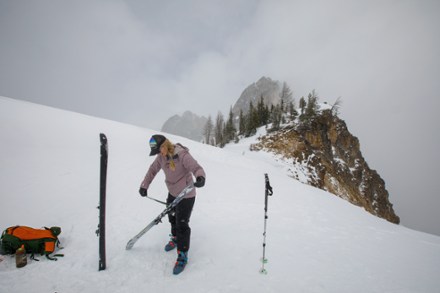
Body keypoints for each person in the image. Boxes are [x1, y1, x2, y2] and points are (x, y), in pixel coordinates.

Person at [139, 134, 206, 275]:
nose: (159, 154)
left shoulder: (181, 154)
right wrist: (145, 185)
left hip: (186, 194)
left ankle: (182, 255)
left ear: (165, 145)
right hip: (173, 192)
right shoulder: (161, 157)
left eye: (159, 150)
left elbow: (195, 167)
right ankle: (175, 238)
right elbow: (152, 170)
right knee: (171, 217)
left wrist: (200, 177)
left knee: (182, 224)